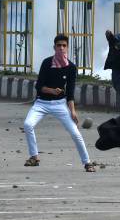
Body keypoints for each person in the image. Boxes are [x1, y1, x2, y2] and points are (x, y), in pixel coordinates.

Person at [23, 34, 95, 172]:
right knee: (27, 125)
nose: (61, 48)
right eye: (59, 45)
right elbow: (39, 86)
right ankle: (34, 157)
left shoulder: (71, 67)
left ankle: (87, 163)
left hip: (60, 104)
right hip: (41, 103)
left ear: (67, 48)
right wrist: (51, 91)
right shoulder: (47, 63)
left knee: (75, 133)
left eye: (64, 45)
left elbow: (70, 92)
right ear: (54, 47)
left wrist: (72, 111)